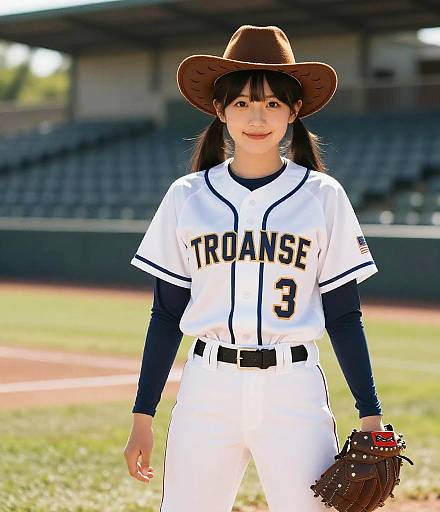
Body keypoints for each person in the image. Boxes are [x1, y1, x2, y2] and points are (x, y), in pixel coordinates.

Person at [123, 24, 384, 512]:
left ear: (293, 110)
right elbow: (165, 315)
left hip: (294, 388)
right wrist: (143, 414)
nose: (256, 116)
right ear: (219, 110)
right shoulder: (187, 196)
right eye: (241, 103)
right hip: (207, 385)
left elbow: (345, 315)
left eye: (270, 103)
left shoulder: (323, 196)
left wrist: (371, 414)